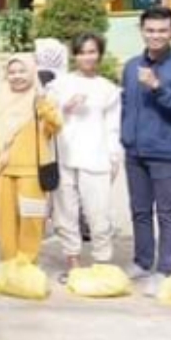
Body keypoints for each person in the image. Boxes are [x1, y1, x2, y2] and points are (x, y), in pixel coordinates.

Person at [121, 7, 171, 293]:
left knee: (166, 212)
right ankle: (142, 262)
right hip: (135, 151)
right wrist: (126, 138)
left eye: (162, 30)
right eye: (150, 30)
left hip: (167, 151)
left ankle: (164, 270)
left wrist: (157, 87)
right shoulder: (131, 66)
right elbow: (127, 105)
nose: (156, 36)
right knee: (139, 210)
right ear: (142, 31)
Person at [48, 34, 122, 280]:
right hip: (64, 157)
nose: (87, 57)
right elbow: (46, 116)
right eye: (82, 52)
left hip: (96, 158)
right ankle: (73, 264)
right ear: (74, 55)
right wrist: (64, 108)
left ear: (99, 54)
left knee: (99, 214)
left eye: (92, 51)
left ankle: (102, 263)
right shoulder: (59, 85)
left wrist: (114, 156)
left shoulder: (108, 89)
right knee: (65, 213)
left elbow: (113, 127)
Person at [0, 54, 62, 263]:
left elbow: (55, 126)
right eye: (12, 72)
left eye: (22, 71)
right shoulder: (0, 100)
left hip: (32, 171)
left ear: (32, 72)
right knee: (4, 220)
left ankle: (27, 262)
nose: (16, 76)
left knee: (32, 218)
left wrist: (43, 106)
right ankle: (9, 262)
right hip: (3, 169)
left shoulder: (41, 98)